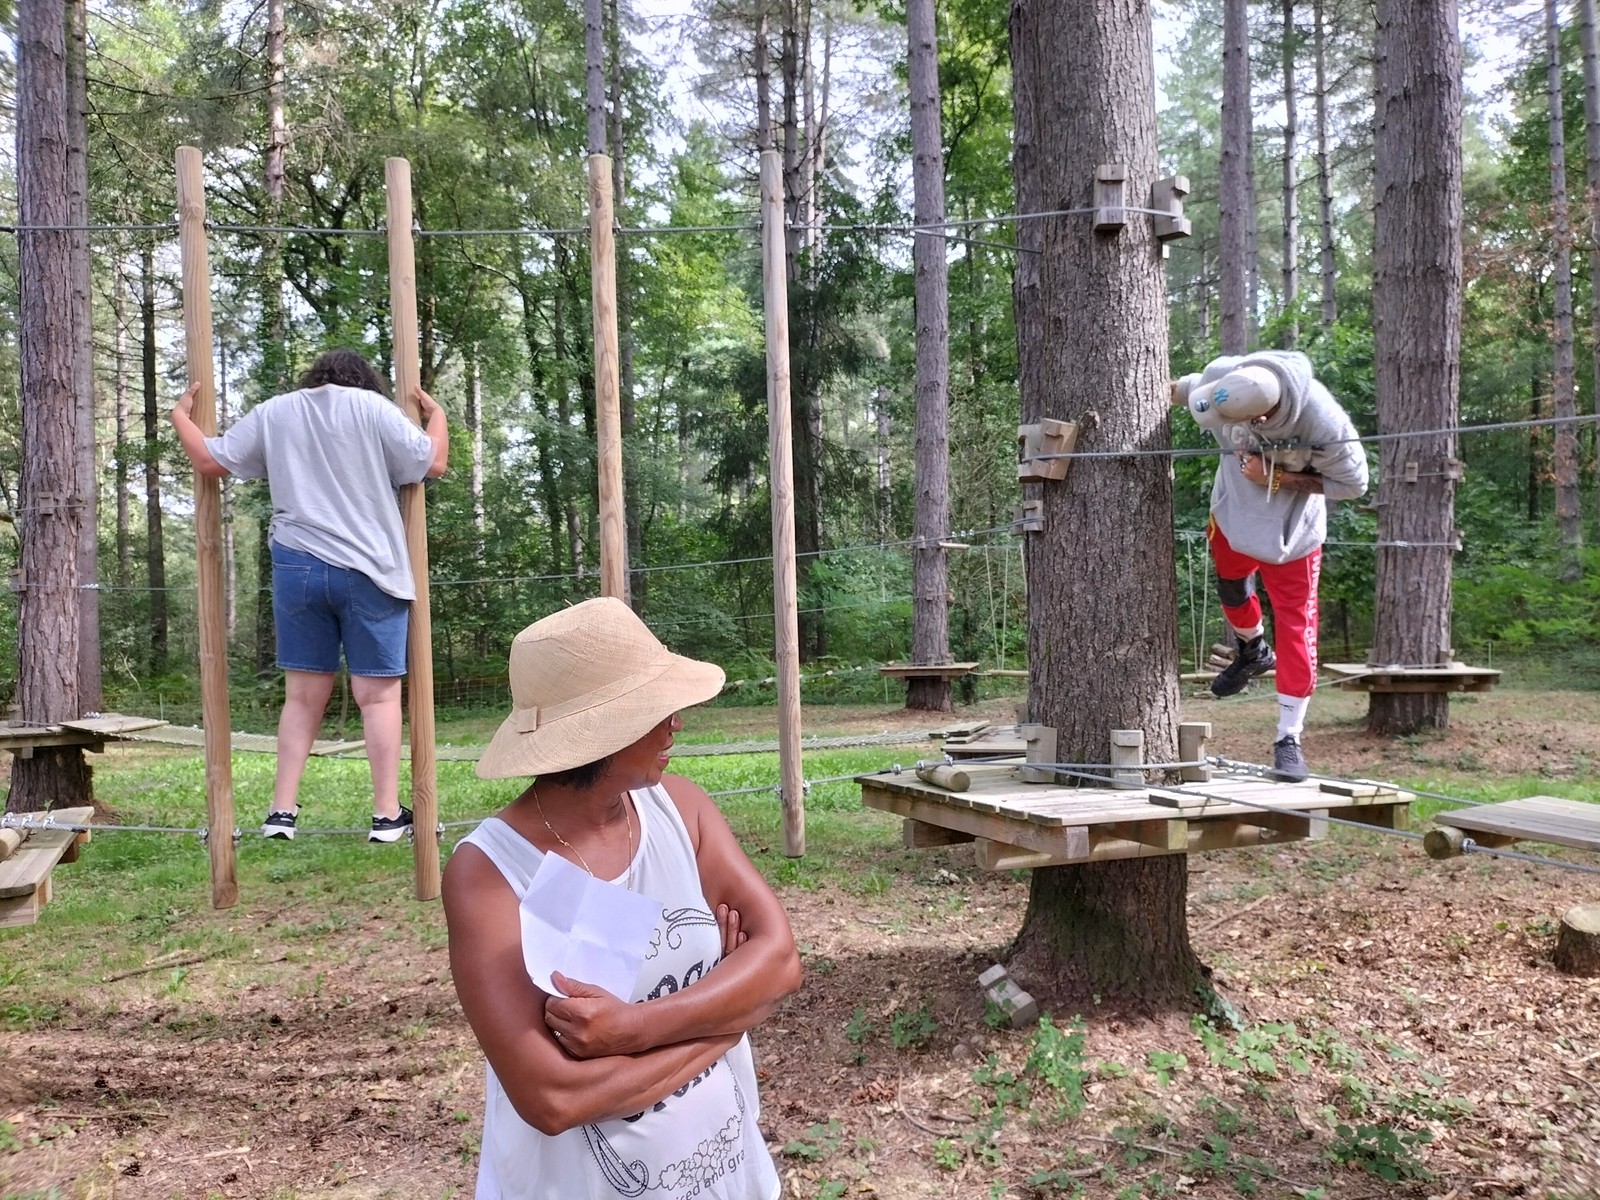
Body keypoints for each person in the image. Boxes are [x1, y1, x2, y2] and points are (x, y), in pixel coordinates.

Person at [443, 597, 801, 1200]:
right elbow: (553, 1097)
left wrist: (632, 1028)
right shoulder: (489, 874)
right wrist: (728, 1020)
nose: (675, 724)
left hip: (728, 1176)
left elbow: (781, 962)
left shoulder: (682, 810)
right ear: (600, 736)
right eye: (654, 710)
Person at [170, 349, 449, 842]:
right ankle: (386, 815)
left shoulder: (277, 410)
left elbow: (210, 461)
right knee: (378, 696)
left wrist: (178, 416)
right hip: (371, 566)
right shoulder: (372, 408)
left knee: (301, 698)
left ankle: (281, 812)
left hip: (297, 564)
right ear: (365, 381)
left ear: (314, 377)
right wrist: (439, 416)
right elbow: (434, 462)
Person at [1172, 351, 1369, 782]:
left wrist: (1276, 479)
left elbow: (1354, 485)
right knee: (1231, 589)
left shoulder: (1324, 423)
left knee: (1296, 628)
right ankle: (1253, 650)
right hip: (1231, 519)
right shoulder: (1224, 376)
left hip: (1291, 538)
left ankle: (1288, 738)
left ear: (1265, 416)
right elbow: (1182, 391)